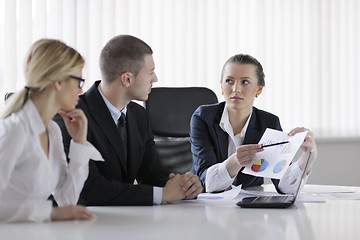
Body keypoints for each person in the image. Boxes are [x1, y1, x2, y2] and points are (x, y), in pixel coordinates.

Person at [55, 35, 202, 206]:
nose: (155, 79)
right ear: (127, 79)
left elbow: (152, 174)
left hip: (124, 221)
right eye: (150, 72)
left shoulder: (138, 115)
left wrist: (185, 186)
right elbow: (89, 189)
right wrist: (162, 195)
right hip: (80, 224)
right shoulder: (71, 116)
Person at [0, 39, 103, 222]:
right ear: (58, 82)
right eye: (79, 81)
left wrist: (79, 142)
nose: (81, 91)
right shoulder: (15, 129)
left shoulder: (52, 130)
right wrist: (49, 213)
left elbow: (66, 200)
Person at [190, 54, 318, 193]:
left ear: (259, 89)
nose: (235, 89)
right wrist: (235, 162)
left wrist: (308, 156)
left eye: (245, 82)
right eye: (229, 81)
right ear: (221, 86)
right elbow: (207, 182)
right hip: (206, 204)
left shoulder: (269, 122)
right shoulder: (203, 117)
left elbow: (285, 187)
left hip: (249, 206)